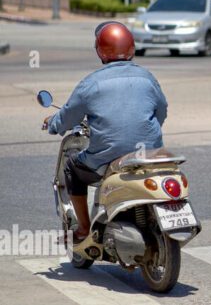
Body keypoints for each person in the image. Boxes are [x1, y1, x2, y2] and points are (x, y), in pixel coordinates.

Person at [43, 21, 168, 242]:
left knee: (72, 166)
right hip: (150, 154)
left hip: (109, 157)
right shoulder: (147, 77)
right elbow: (161, 112)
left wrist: (53, 124)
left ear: (100, 50)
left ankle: (83, 229)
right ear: (132, 47)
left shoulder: (91, 83)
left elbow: (68, 117)